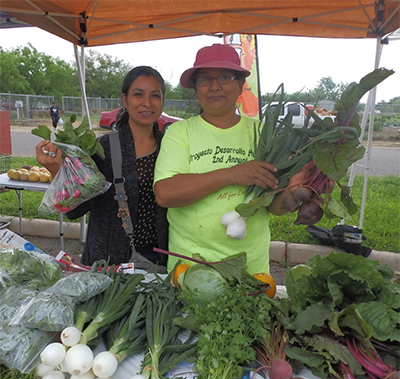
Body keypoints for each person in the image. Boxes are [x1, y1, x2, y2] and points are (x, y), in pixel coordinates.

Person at [154, 43, 303, 275]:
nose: (214, 86)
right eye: (204, 79)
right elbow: (166, 194)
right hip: (191, 269)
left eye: (224, 77)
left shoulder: (264, 133)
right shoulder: (179, 133)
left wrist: (297, 192)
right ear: (195, 89)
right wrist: (233, 174)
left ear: (240, 85)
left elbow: (274, 206)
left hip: (251, 271)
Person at [36, 66, 168, 266]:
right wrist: (57, 171)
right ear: (124, 100)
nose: (147, 102)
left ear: (162, 101)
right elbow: (74, 210)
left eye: (155, 96)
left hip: (158, 259)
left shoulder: (170, 146)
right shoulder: (102, 148)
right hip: (108, 261)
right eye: (138, 94)